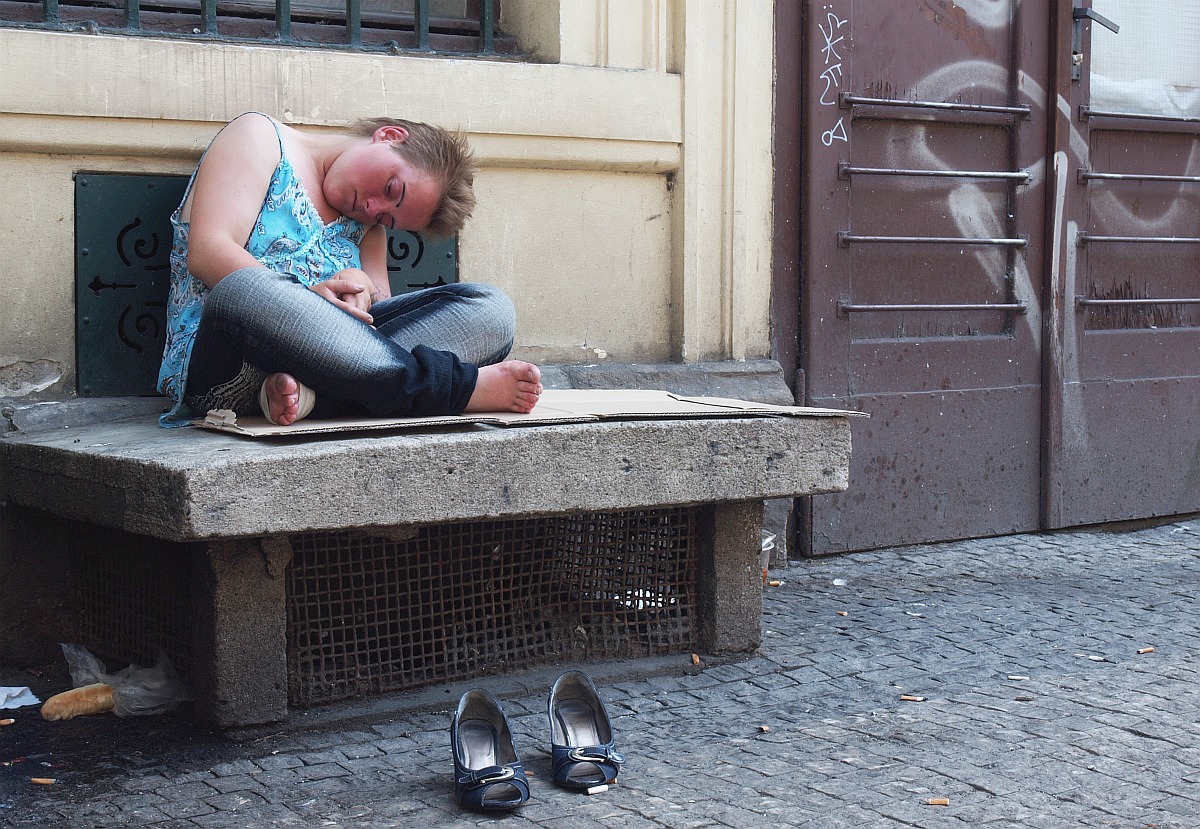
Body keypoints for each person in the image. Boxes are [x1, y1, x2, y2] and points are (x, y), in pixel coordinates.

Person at [156, 111, 542, 427]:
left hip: (319, 376)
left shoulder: (367, 228)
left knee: (491, 309)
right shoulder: (259, 138)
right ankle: (453, 389)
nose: (373, 209)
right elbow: (208, 252)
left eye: (388, 219)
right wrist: (310, 298)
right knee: (247, 288)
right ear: (389, 136)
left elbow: (379, 337)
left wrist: (361, 289)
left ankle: (312, 399)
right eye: (391, 189)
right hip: (230, 366)